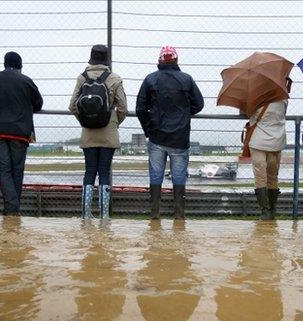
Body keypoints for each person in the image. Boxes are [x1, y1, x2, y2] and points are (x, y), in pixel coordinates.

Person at [136, 46, 204, 220]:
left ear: (160, 61)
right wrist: (184, 114)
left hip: (157, 137)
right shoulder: (186, 79)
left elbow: (140, 108)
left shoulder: (150, 79)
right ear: (176, 60)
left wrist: (148, 130)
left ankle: (154, 214)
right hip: (180, 137)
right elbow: (199, 104)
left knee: (156, 175)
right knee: (179, 176)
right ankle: (179, 216)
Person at [69, 44, 128, 220]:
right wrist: (114, 122)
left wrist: (84, 121)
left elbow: (72, 106)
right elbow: (123, 107)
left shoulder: (82, 78)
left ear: (91, 58)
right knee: (104, 172)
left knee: (89, 171)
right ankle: (105, 216)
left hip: (88, 132)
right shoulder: (114, 78)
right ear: (106, 59)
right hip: (108, 131)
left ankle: (86, 214)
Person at [0, 52, 43, 216]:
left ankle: (11, 208)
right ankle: (12, 208)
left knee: (4, 170)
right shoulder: (26, 81)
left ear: (4, 64)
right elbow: (38, 103)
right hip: (20, 132)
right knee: (17, 169)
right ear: (20, 66)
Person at [249, 78, 292, 220]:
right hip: (277, 141)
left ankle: (265, 210)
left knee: (260, 175)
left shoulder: (256, 99)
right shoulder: (284, 99)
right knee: (273, 175)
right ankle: (272, 209)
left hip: (258, 140)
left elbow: (251, 117)